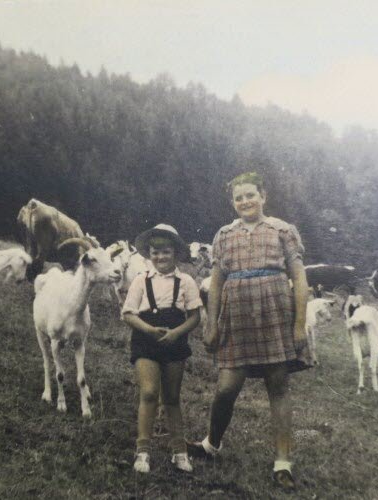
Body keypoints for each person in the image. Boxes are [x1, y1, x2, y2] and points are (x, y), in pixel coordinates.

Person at [187, 172, 311, 489]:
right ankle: (211, 445)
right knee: (226, 388)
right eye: (238, 197)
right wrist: (211, 323)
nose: (245, 202)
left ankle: (282, 463)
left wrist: (299, 324)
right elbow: (216, 284)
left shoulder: (283, 230)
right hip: (237, 320)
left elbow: (300, 278)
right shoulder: (224, 235)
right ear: (233, 202)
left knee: (278, 387)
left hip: (275, 316)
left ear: (263, 196)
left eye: (250, 195)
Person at [121, 224, 203, 474]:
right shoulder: (141, 280)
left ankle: (179, 451)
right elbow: (128, 314)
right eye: (155, 252)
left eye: (166, 252)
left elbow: (195, 316)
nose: (160, 257)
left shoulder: (186, 281)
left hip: (175, 342)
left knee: (171, 397)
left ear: (176, 253)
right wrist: (149, 330)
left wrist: (176, 333)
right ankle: (142, 451)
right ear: (149, 254)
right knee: (148, 393)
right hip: (146, 339)